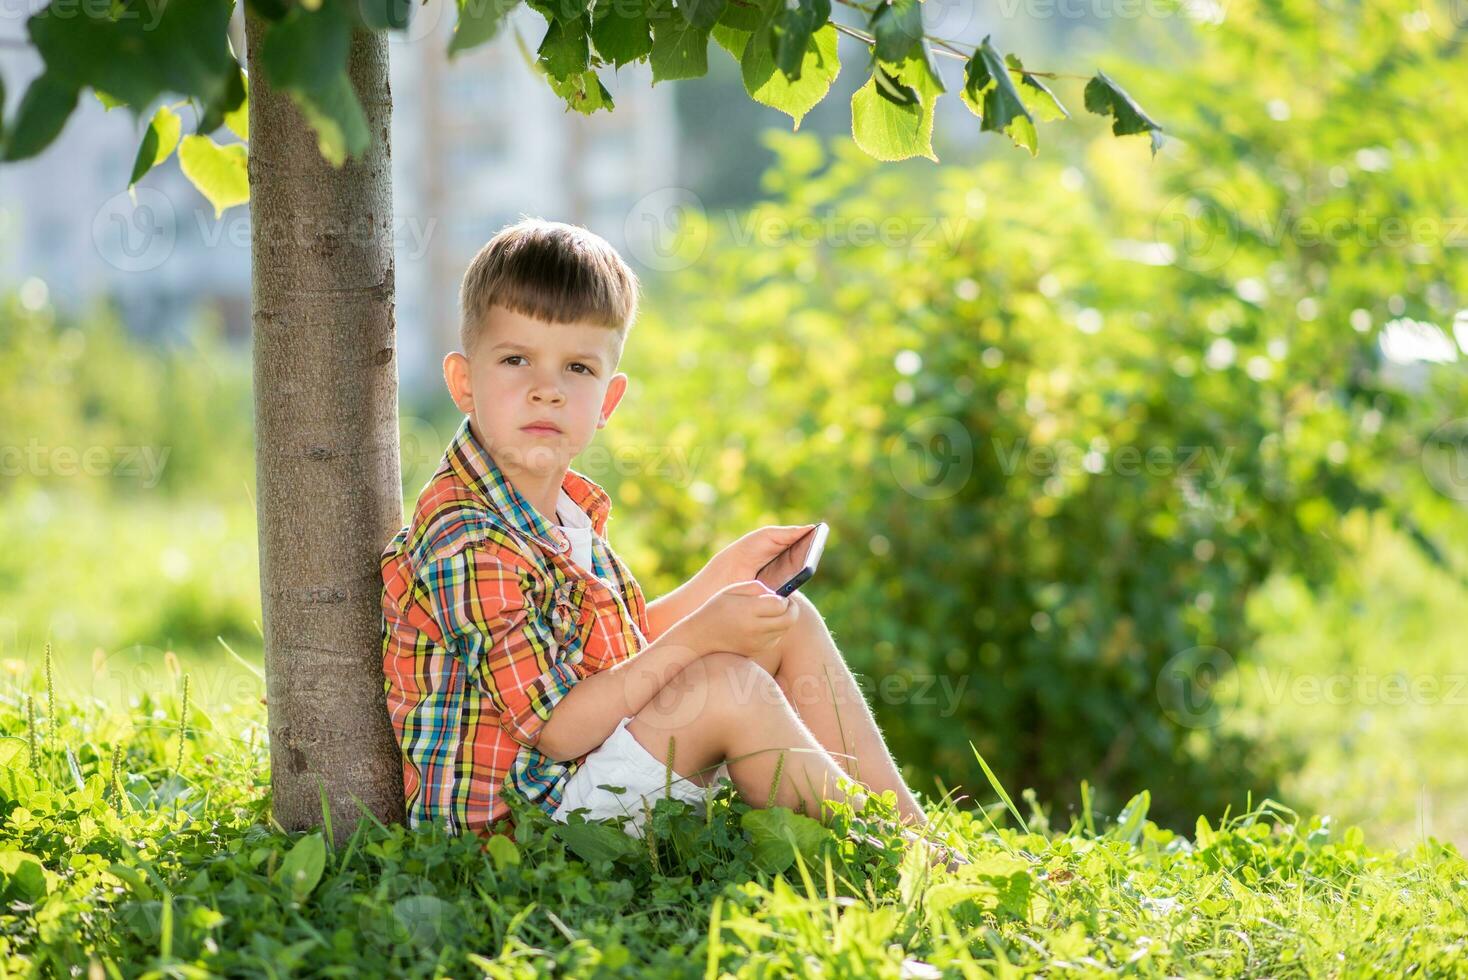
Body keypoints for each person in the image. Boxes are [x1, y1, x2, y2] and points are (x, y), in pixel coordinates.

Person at [379, 218, 965, 869]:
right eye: (516, 359)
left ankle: (920, 840)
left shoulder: (555, 511)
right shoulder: (470, 540)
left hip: (571, 778)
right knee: (723, 685)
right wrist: (702, 636)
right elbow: (560, 726)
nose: (547, 387)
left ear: (608, 399)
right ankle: (904, 863)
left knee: (785, 618)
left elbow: (602, 660)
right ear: (464, 382)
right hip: (521, 832)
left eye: (577, 367)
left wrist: (716, 584)